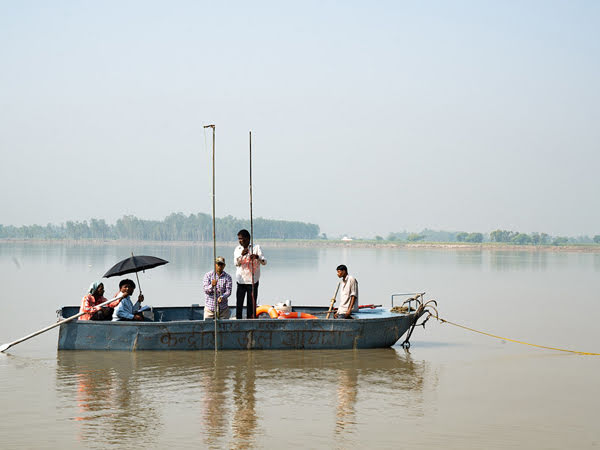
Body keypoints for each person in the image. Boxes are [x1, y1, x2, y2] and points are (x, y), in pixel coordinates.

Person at [234, 229, 267, 319]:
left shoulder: (256, 248)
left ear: (248, 239)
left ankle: (251, 321)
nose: (241, 241)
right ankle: (238, 321)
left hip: (252, 281)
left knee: (251, 305)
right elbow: (236, 263)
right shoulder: (238, 249)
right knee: (239, 304)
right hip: (241, 281)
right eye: (239, 239)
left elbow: (264, 262)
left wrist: (257, 257)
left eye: (242, 239)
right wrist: (241, 255)